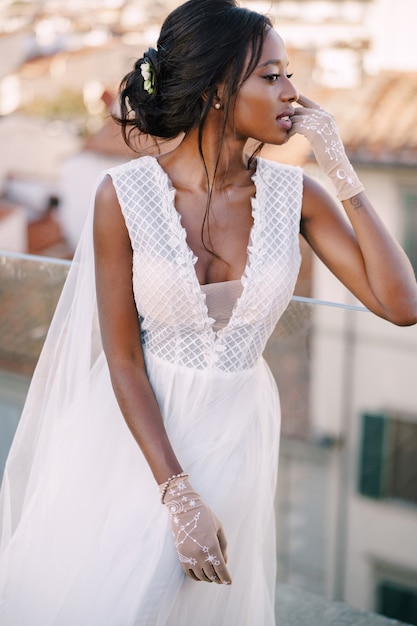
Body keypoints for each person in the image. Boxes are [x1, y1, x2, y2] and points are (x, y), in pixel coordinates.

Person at [1, 0, 417, 624]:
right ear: (219, 91)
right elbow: (121, 357)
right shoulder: (123, 196)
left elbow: (401, 305)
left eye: (289, 74)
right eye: (272, 76)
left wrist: (339, 163)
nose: (292, 93)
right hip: (139, 441)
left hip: (234, 436)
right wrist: (178, 493)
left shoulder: (297, 196)